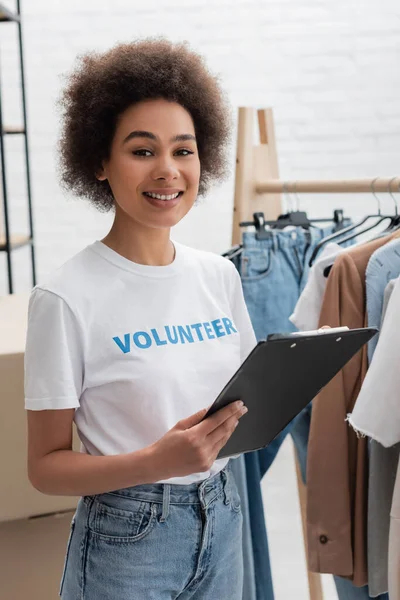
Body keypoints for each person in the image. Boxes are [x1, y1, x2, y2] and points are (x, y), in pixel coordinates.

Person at [24, 38, 257, 599]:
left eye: (184, 150)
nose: (168, 171)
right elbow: (45, 467)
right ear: (100, 163)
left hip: (223, 511)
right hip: (128, 537)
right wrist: (154, 461)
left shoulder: (218, 276)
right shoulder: (64, 296)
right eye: (142, 150)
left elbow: (243, 405)